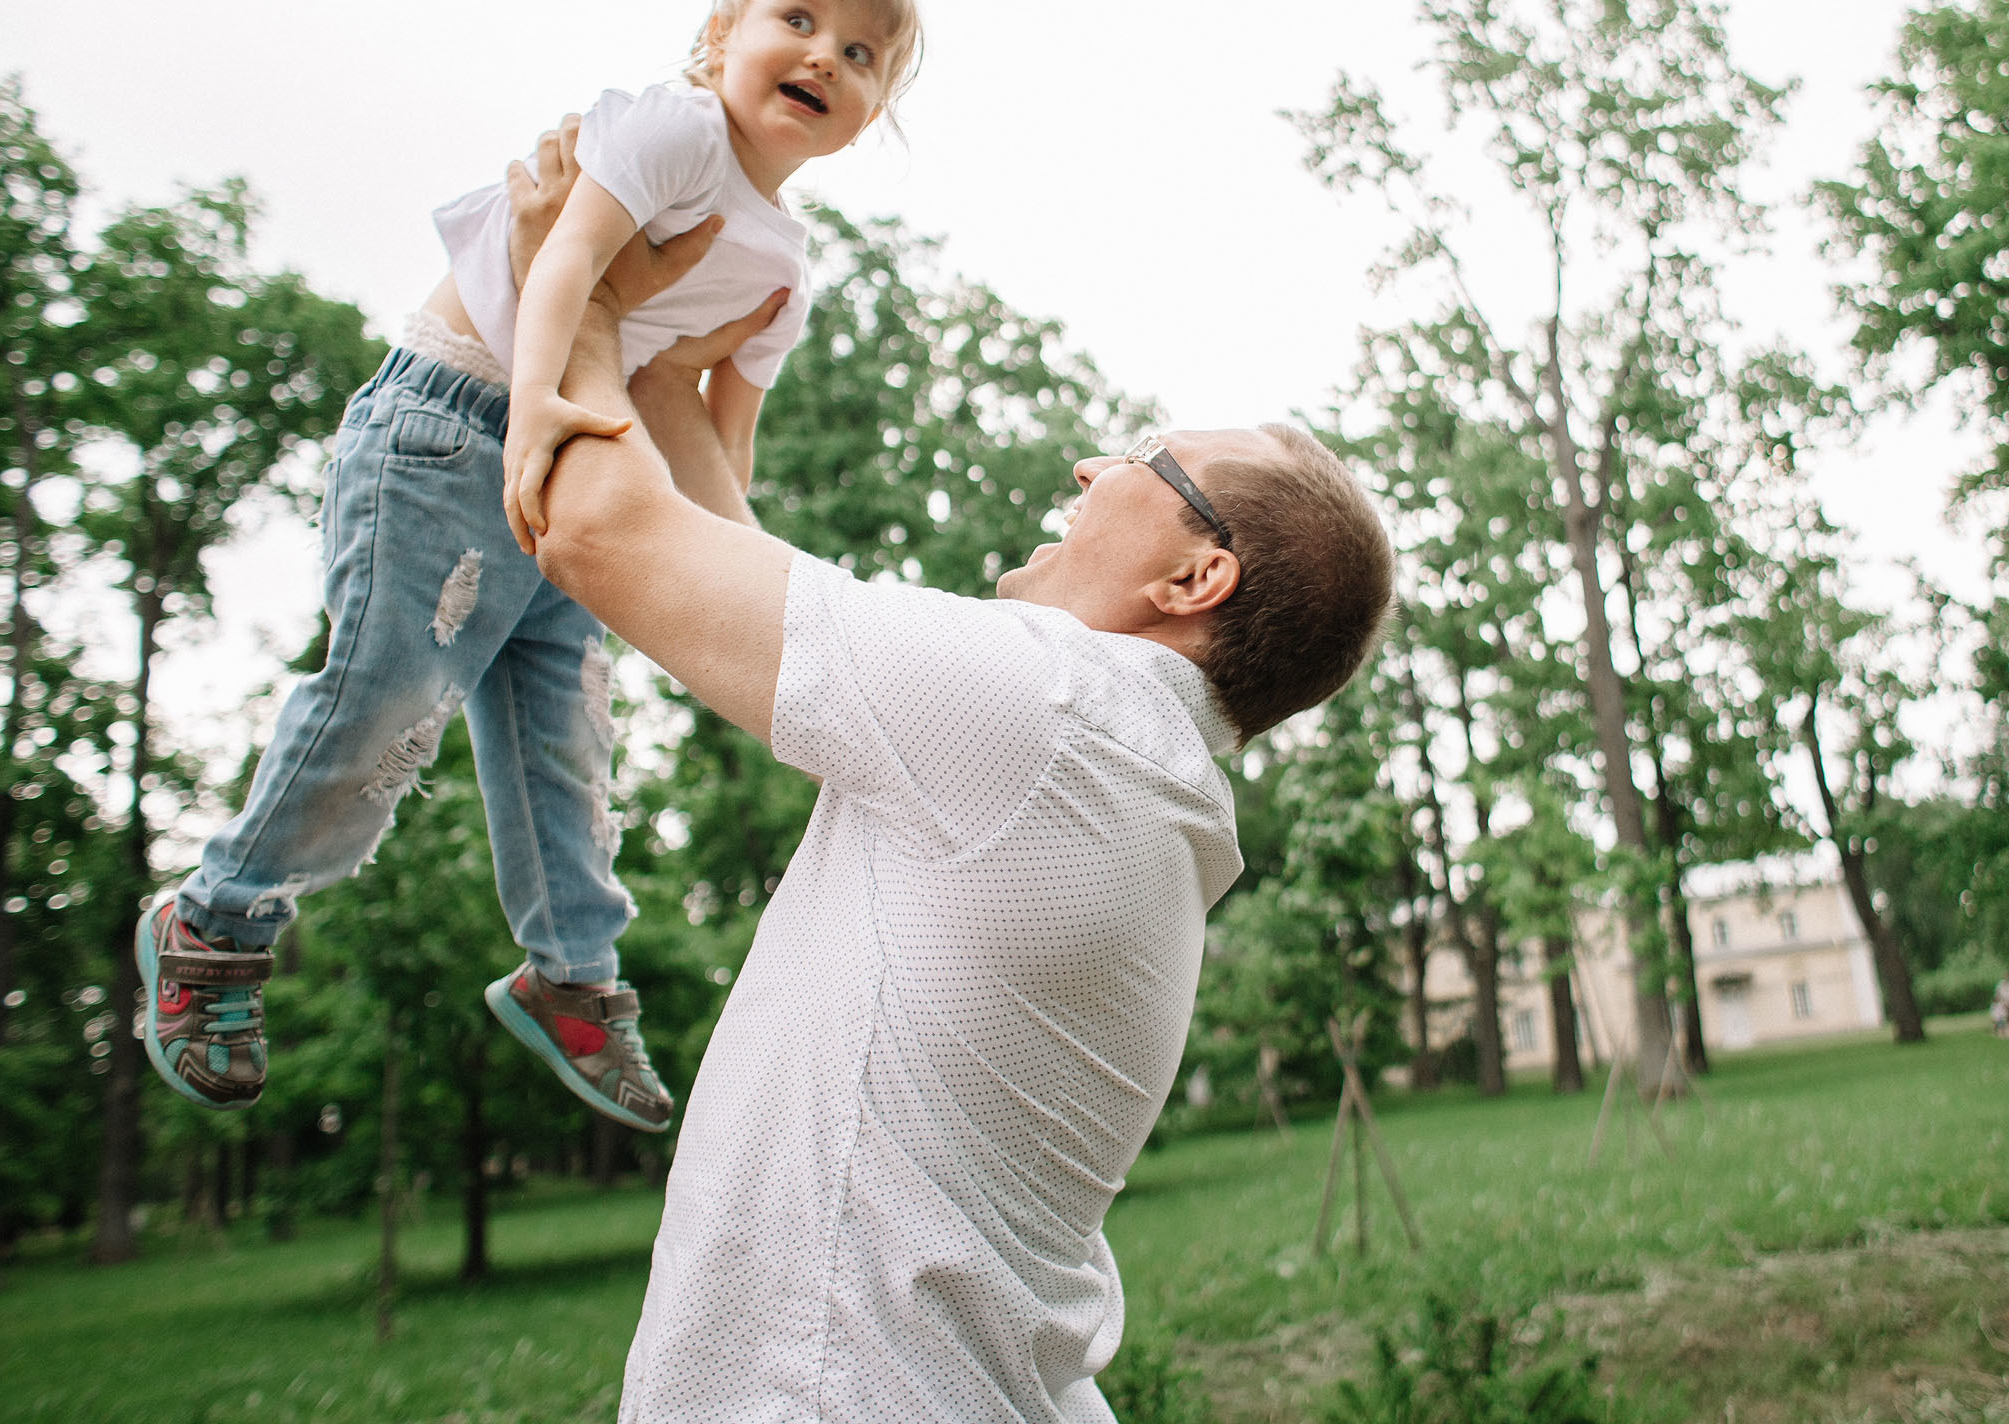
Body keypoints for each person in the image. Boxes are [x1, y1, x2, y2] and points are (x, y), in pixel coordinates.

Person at [517, 163, 1397, 1420]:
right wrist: (660, 370)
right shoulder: (1109, 762)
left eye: (1148, 457)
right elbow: (756, 585)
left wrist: (578, 287)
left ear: (1198, 578)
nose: (1096, 465)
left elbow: (596, 530)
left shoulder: (1049, 714)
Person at [133, 0, 923, 1134]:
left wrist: (762, 585)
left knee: (568, 733)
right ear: (720, 40)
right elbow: (561, 257)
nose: (826, 55)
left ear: (870, 109)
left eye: (864, 52)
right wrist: (542, 404)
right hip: (455, 422)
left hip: (577, 475)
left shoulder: (783, 272)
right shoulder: (672, 130)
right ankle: (217, 917)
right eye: (799, 20)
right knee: (391, 697)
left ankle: (574, 975)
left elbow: (722, 439)